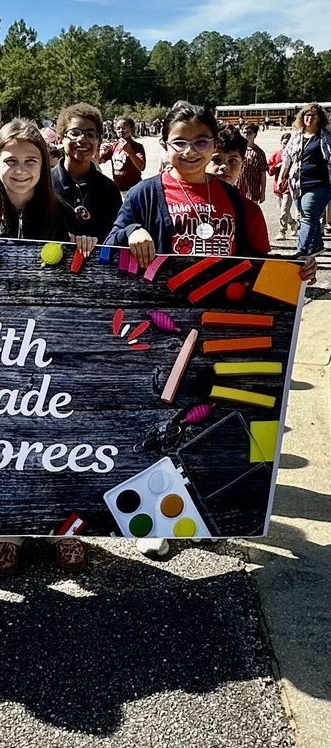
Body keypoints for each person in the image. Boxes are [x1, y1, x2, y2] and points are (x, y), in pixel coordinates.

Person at [106, 103, 316, 556]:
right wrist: (133, 232)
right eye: (179, 142)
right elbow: (112, 241)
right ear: (165, 145)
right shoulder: (146, 193)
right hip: (162, 325)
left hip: (224, 328)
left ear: (214, 144)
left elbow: (263, 266)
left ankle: (213, 504)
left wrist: (295, 273)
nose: (189, 151)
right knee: (160, 417)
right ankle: (157, 518)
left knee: (215, 412)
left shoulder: (238, 203)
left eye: (200, 141)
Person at [0, 120, 96, 577]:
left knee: (58, 434)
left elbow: (91, 275)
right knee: (4, 436)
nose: (21, 170)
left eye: (31, 161)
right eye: (11, 160)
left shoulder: (64, 216)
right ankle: (9, 528)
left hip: (56, 342)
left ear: (45, 164)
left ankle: (63, 525)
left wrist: (85, 246)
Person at [51, 103, 123, 243]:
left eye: (90, 135)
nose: (82, 140)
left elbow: (115, 236)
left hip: (98, 263)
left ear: (99, 142)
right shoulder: (44, 184)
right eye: (75, 133)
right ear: (60, 139)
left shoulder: (109, 190)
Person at [277, 102, 331, 259]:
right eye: (306, 115)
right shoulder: (297, 136)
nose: (309, 118)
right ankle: (317, 244)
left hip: (320, 184)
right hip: (298, 184)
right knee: (308, 215)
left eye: (313, 116)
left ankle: (301, 251)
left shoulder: (326, 136)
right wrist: (282, 177)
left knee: (307, 215)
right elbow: (286, 158)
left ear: (319, 119)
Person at [206, 125, 270, 254]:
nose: (225, 166)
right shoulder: (182, 205)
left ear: (243, 164)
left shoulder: (250, 211)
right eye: (216, 160)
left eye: (233, 160)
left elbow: (261, 260)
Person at [99, 115, 146, 196]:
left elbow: (141, 167)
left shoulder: (137, 147)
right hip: (118, 190)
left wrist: (130, 152)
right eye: (118, 128)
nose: (120, 131)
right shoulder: (114, 146)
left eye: (124, 128)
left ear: (132, 129)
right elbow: (98, 161)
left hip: (134, 189)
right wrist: (97, 149)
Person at [268, 132, 299, 240]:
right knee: (283, 210)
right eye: (284, 143)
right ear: (281, 142)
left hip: (289, 187)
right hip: (279, 187)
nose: (286, 145)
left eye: (288, 143)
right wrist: (276, 166)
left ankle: (282, 231)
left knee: (284, 210)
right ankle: (293, 223)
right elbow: (270, 171)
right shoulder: (277, 155)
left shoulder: (295, 156)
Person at [239, 124, 268, 204]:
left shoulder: (259, 153)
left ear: (255, 134)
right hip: (237, 190)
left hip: (252, 191)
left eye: (249, 133)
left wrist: (262, 192)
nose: (246, 135)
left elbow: (263, 174)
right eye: (244, 132)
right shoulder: (237, 151)